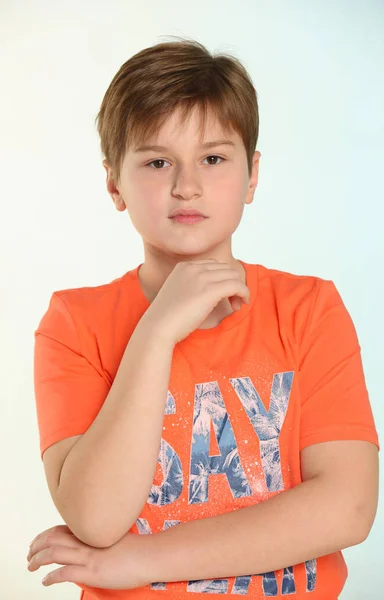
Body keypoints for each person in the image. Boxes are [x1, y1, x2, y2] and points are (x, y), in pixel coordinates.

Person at [28, 37, 380, 600]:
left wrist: (141, 561)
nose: (186, 185)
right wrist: (157, 331)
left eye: (213, 158)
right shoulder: (74, 323)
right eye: (157, 161)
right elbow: (95, 518)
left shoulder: (310, 309)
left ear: (252, 175)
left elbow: (348, 507)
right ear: (114, 182)